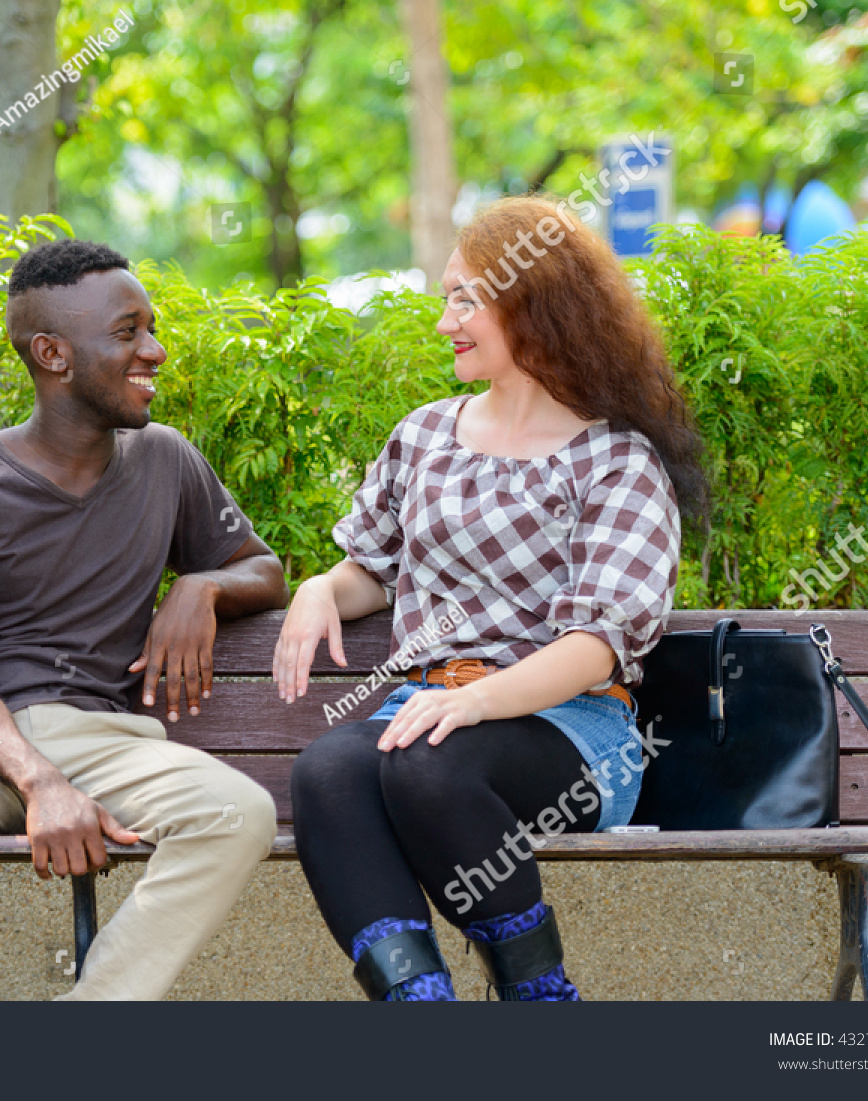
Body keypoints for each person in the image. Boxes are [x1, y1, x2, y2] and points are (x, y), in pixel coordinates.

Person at [273, 196, 707, 1002]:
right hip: (431, 710)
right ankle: (420, 1004)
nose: (447, 321)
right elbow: (372, 568)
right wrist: (319, 588)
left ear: (536, 305)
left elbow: (594, 647)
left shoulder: (615, 462)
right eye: (448, 297)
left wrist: (477, 704)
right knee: (328, 769)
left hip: (571, 727)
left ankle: (540, 997)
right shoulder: (426, 435)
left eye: (467, 298)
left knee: (424, 767)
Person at [0, 239, 287, 1000]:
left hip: (101, 739)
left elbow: (266, 569)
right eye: (127, 333)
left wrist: (202, 587)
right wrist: (39, 779)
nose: (153, 350)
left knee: (237, 811)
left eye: (150, 327)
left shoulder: (166, 460)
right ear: (52, 354)